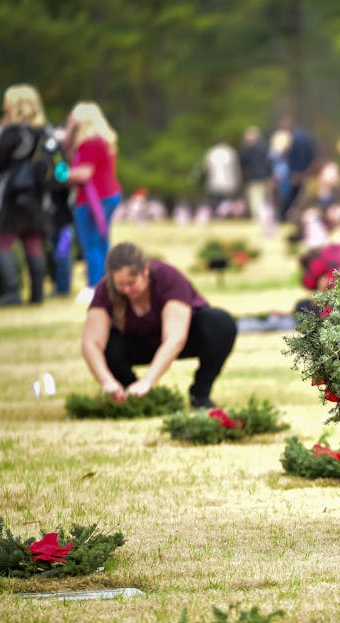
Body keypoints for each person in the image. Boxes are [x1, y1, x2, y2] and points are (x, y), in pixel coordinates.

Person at [81, 242, 236, 409]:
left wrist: (148, 381)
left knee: (219, 323)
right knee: (110, 344)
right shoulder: (105, 290)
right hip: (139, 344)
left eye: (132, 283)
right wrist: (107, 381)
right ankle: (129, 394)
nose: (126, 290)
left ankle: (200, 394)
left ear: (145, 271)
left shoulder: (168, 278)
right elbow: (90, 343)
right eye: (120, 284)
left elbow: (175, 338)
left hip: (181, 338)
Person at [0, 84, 51, 306]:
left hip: (13, 197)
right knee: (33, 243)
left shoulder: (12, 132)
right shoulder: (45, 132)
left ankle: (12, 292)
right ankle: (37, 294)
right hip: (37, 198)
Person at [66, 101, 121, 302]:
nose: (69, 121)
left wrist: (59, 173)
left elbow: (83, 174)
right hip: (107, 194)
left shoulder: (90, 143)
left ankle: (95, 286)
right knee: (101, 241)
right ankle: (107, 283)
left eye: (72, 117)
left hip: (93, 199)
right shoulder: (104, 141)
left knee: (91, 243)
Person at [238, 125, 273, 221]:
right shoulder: (265, 148)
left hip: (252, 178)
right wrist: (270, 175)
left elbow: (242, 164)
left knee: (255, 200)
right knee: (262, 199)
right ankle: (264, 218)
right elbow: (269, 163)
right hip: (263, 177)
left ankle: (258, 219)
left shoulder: (246, 149)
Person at [203, 138, 240, 215]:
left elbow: (206, 168)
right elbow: (236, 169)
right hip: (226, 182)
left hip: (216, 182)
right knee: (225, 202)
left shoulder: (212, 153)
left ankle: (218, 215)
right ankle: (223, 215)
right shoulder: (230, 152)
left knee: (218, 202)